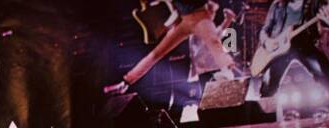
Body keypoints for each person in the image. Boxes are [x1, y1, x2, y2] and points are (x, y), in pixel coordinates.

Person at [104, 1, 242, 96]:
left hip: (201, 17)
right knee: (156, 53)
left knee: (214, 43)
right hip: (184, 21)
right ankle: (126, 82)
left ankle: (228, 71)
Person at [256, 0, 329, 113]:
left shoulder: (313, 3)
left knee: (326, 76)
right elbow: (264, 30)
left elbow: (328, 20)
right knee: (268, 85)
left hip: (304, 44)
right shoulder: (277, 5)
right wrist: (267, 41)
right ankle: (267, 120)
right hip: (279, 50)